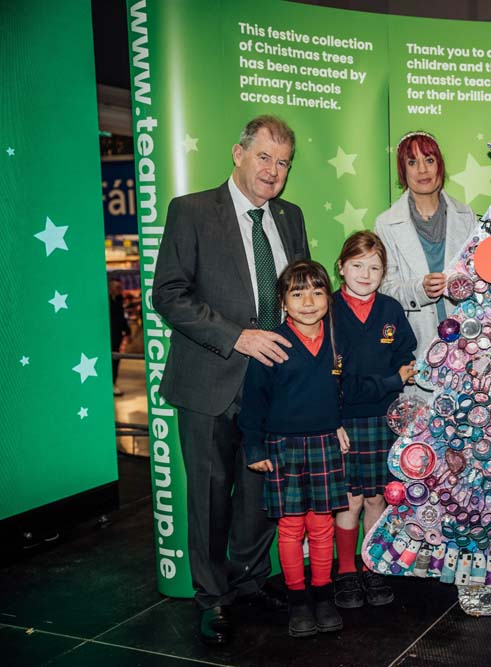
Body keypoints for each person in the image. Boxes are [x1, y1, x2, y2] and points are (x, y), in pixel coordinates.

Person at [152, 115, 309, 645]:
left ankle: (248, 581)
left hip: (273, 384)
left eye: (283, 162)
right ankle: (213, 597)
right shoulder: (192, 210)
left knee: (262, 494)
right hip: (209, 380)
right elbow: (168, 293)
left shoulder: (290, 217)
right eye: (264, 157)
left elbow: (300, 293)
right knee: (211, 495)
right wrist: (237, 336)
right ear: (238, 154)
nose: (273, 171)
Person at [240, 260, 350, 638]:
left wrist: (338, 423)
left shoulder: (337, 341)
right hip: (283, 446)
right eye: (298, 293)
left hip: (324, 445)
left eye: (318, 292)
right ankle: (298, 600)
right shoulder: (273, 344)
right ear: (283, 302)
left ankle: (322, 594)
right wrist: (254, 448)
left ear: (328, 299)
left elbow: (342, 391)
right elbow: (253, 402)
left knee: (321, 525)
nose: (308, 301)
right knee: (290, 527)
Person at [330, 231, 418, 609]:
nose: (366, 275)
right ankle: (346, 571)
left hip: (384, 420)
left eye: (375, 268)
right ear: (341, 267)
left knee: (377, 497)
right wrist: (392, 380)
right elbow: (335, 381)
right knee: (349, 499)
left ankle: (372, 564)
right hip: (344, 421)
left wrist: (401, 374)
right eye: (357, 266)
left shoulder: (390, 309)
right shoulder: (327, 310)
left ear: (384, 273)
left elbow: (406, 353)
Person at [375, 131, 477, 357]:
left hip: (469, 341)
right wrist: (420, 290)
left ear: (440, 165)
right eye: (412, 162)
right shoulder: (385, 223)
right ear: (403, 171)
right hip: (415, 344)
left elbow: (481, 277)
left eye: (429, 160)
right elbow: (384, 290)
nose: (422, 170)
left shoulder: (466, 215)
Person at [108, 277, 130, 396]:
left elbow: (121, 318)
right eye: (117, 287)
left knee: (115, 359)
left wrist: (127, 331)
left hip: (116, 335)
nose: (120, 289)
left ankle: (113, 383)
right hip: (107, 336)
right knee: (110, 359)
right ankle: (110, 383)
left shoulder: (119, 300)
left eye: (120, 287)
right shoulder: (106, 301)